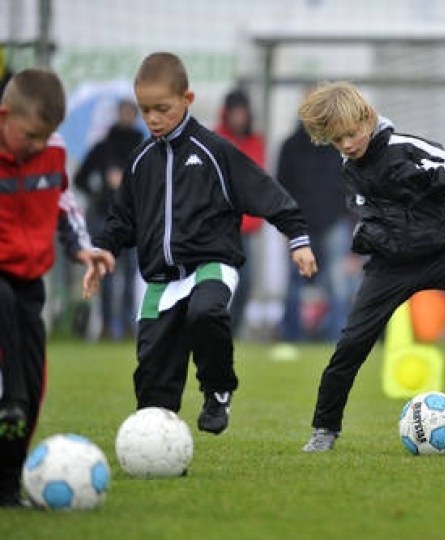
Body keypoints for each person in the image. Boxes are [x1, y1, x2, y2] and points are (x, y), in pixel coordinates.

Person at [82, 52, 317, 437]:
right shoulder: (140, 161)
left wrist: (298, 238)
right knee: (153, 380)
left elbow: (266, 192)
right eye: (145, 110)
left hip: (212, 264)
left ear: (187, 100)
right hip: (161, 280)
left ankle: (217, 388)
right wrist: (104, 250)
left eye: (162, 108)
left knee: (206, 312)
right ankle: (157, 437)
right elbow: (121, 219)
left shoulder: (213, 150)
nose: (153, 118)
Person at [297, 82, 445, 452]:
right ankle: (324, 430)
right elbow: (367, 213)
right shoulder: (350, 169)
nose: (346, 144)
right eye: (336, 140)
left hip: (436, 254)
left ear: (367, 119)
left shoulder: (403, 147)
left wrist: (427, 181)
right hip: (389, 267)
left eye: (351, 134)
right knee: (350, 346)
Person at [0, 68, 109, 507]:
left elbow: (64, 203)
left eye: (46, 137)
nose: (38, 145)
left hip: (30, 280)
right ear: (5, 116)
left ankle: (8, 484)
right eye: (30, 136)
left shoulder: (54, 150)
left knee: (34, 380)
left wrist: (83, 249)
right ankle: (10, 396)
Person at [276, 115, 355, 343]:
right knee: (295, 282)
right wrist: (286, 226)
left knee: (338, 283)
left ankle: (339, 338)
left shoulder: (338, 146)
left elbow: (350, 184)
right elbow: (281, 188)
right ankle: (291, 337)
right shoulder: (290, 146)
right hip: (300, 225)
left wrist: (351, 222)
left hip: (334, 222)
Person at [74, 98, 145, 340]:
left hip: (131, 218)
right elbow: (80, 178)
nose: (126, 117)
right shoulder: (103, 147)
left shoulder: (143, 148)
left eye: (129, 113)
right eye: (122, 112)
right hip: (104, 216)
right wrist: (100, 191)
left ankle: (127, 325)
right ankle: (106, 326)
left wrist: (126, 183)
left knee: (130, 274)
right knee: (106, 273)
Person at [213, 88, 266, 338]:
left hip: (245, 228)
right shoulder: (215, 140)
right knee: (217, 283)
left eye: (242, 113)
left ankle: (229, 331)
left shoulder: (256, 142)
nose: (238, 118)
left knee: (245, 284)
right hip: (219, 228)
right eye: (234, 113)